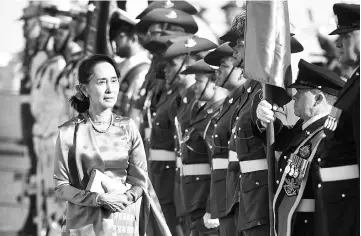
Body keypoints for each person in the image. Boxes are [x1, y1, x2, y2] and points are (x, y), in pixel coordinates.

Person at [53, 54, 170, 236]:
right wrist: (98, 199)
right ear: (84, 89)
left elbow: (140, 181)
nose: (110, 89)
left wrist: (126, 197)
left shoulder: (128, 127)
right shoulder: (69, 132)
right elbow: (61, 186)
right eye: (101, 82)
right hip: (83, 226)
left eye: (114, 81)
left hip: (122, 223)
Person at [254, 59, 345, 236]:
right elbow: (280, 139)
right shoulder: (305, 129)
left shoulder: (329, 134)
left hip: (312, 226)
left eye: (301, 92)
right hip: (295, 224)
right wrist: (261, 119)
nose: (294, 96)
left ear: (318, 99)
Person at [316, 3, 360, 236]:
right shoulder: (354, 83)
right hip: (339, 207)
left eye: (346, 35)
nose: (338, 44)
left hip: (352, 212)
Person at [179, 59, 228, 236]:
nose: (194, 87)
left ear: (214, 82)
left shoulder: (216, 117)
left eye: (199, 81)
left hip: (203, 202)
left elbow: (219, 167)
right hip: (193, 200)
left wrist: (212, 207)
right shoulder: (204, 113)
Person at [109, 9, 150, 117]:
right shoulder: (122, 65)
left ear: (133, 39)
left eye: (121, 36)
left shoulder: (142, 71)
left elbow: (134, 114)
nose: (115, 40)